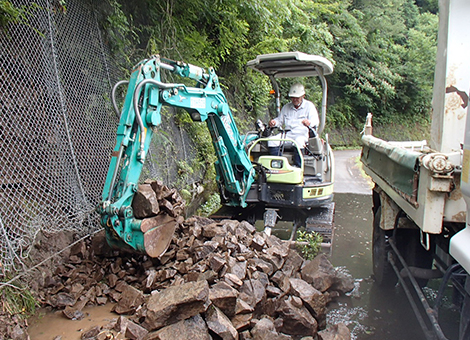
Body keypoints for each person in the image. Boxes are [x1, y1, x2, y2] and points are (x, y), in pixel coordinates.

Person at [268, 83, 319, 167]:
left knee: (298, 141)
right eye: (293, 97)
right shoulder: (286, 107)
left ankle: (298, 166)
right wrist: (274, 122)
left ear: (303, 96)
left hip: (302, 135)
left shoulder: (309, 106)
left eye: (297, 97)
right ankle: (279, 164)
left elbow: (315, 121)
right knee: (271, 141)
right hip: (288, 135)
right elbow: (280, 120)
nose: (295, 99)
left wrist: (309, 123)